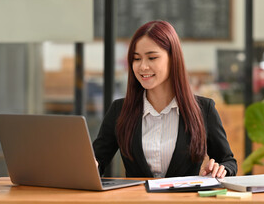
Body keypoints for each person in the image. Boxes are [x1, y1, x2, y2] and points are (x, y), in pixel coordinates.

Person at [93, 20, 237, 178]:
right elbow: (97, 160)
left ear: (173, 58)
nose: (142, 67)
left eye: (152, 58)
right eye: (136, 59)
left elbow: (228, 161)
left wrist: (220, 169)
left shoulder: (203, 109)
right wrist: (90, 165)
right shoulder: (119, 110)